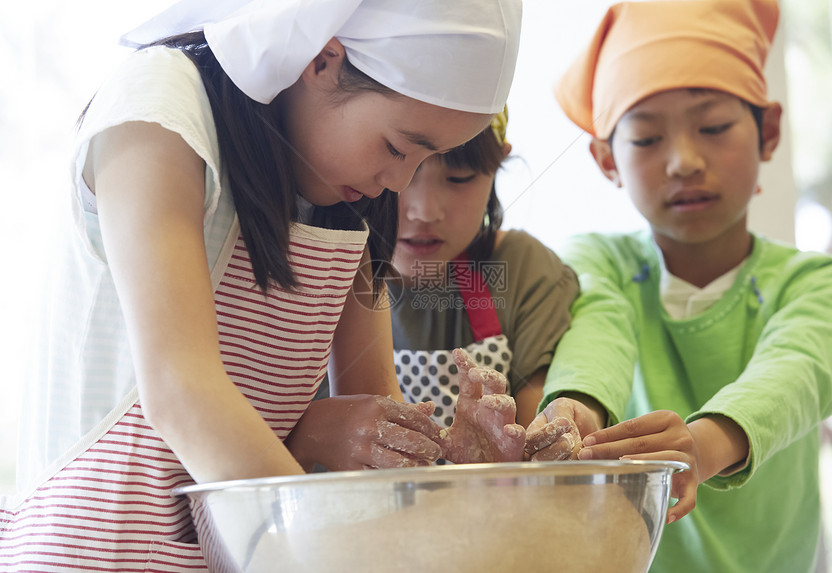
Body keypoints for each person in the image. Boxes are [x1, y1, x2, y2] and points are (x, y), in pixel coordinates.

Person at [0, 0, 523, 570]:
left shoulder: (357, 194)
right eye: (398, 147)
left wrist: (458, 468)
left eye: (427, 159)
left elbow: (369, 409)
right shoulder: (158, 111)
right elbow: (181, 391)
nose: (398, 181)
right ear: (323, 61)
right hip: (87, 549)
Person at [528, 1, 832, 572]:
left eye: (712, 127)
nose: (683, 161)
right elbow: (597, 329)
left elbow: (794, 371)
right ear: (606, 160)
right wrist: (575, 408)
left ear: (769, 131)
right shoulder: (594, 261)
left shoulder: (822, 286)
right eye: (647, 139)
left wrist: (700, 447)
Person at [387, 106, 580, 444]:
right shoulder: (324, 268)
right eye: (403, 168)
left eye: (459, 177)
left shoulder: (522, 267)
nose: (425, 211)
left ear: (497, 165)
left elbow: (540, 439)